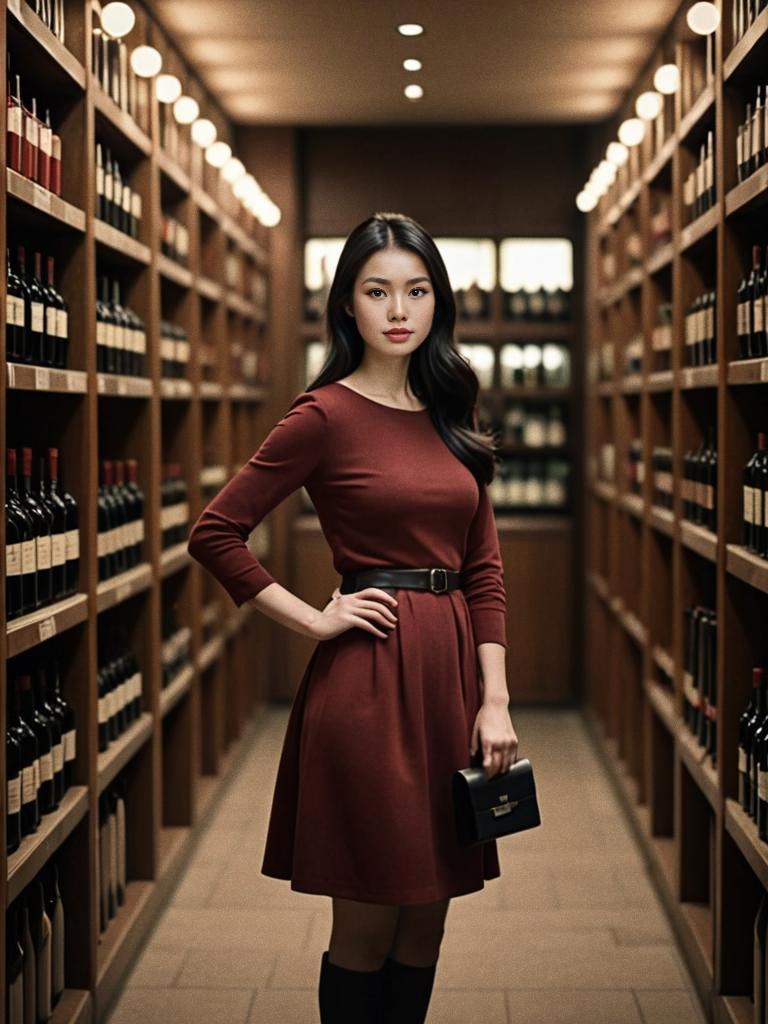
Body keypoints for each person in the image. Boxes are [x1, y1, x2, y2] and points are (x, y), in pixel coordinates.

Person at [187, 211, 519, 1023]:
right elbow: (215, 532)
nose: (399, 309)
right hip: (369, 684)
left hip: (447, 683)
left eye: (417, 290)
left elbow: (484, 570)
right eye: (378, 291)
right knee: (367, 924)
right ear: (347, 307)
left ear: (439, 302)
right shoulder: (324, 415)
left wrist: (496, 698)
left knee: (429, 924)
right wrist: (312, 620)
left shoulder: (453, 411)